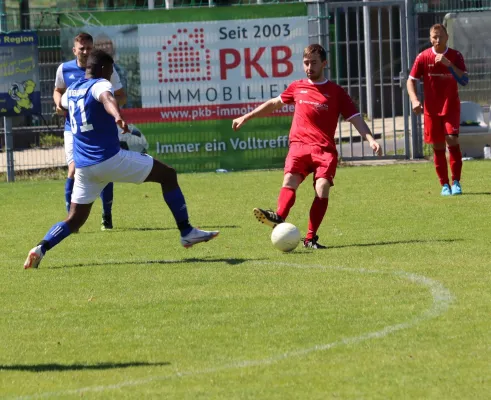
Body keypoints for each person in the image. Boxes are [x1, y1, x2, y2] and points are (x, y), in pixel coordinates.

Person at [24, 49, 218, 269]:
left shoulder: (72, 91)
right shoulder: (100, 85)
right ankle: (186, 231)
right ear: (104, 69)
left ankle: (40, 248)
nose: (111, 75)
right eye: (111, 70)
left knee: (74, 220)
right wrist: (117, 116)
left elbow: (65, 107)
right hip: (108, 159)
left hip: (84, 168)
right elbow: (107, 99)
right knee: (168, 175)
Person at [232, 44, 382, 249]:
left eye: (313, 63)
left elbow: (355, 118)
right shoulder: (297, 86)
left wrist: (371, 139)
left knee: (322, 188)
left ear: (324, 64)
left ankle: (310, 238)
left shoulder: (336, 92)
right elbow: (274, 103)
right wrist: (246, 117)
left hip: (324, 150)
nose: (309, 67)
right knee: (289, 180)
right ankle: (279, 217)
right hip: (299, 146)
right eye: (306, 63)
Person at [53, 32, 127, 230]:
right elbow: (58, 90)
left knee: (106, 169)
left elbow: (121, 96)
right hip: (74, 129)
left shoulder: (103, 70)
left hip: (100, 129)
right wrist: (59, 105)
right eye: (82, 48)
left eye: (89, 48)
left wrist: (105, 106)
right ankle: (71, 220)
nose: (86, 52)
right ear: (74, 50)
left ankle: (107, 215)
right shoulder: (65, 69)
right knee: (73, 169)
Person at [407, 23, 468, 196]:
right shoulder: (423, 57)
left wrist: (449, 65)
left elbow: (464, 80)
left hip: (450, 107)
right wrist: (414, 100)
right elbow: (410, 80)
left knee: (452, 139)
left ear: (447, 37)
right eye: (434, 37)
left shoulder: (455, 56)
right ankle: (445, 185)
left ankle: (456, 181)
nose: (438, 40)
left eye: (441, 36)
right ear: (430, 39)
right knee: (438, 145)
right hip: (431, 110)